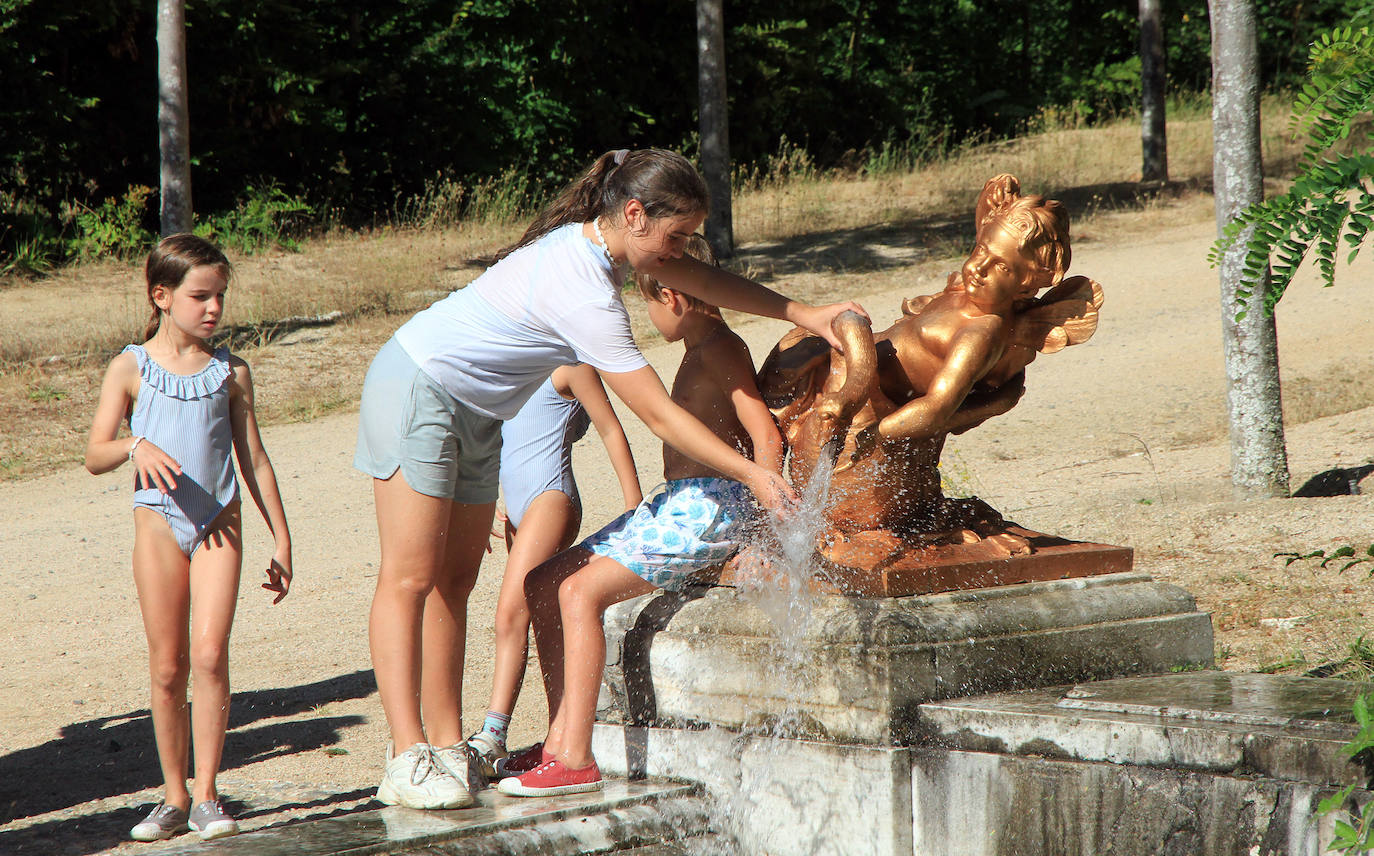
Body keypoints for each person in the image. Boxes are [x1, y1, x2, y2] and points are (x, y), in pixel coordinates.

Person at [353, 147, 864, 809]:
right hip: (420, 386)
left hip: (477, 412)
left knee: (456, 578)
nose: (680, 252)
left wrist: (804, 314)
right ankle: (405, 755)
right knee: (410, 576)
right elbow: (654, 413)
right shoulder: (583, 286)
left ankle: (448, 748)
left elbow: (711, 286)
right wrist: (751, 475)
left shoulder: (611, 250)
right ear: (634, 215)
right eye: (675, 235)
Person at [496, 234, 784, 797]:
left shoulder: (722, 349)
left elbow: (765, 435)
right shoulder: (699, 352)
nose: (648, 318)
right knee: (542, 581)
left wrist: (766, 527)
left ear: (672, 297)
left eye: (647, 305)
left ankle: (575, 758)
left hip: (712, 506)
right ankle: (559, 739)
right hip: (677, 503)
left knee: (580, 593)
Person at [85, 234, 293, 841]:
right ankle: (173, 796)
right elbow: (95, 454)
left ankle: (207, 795)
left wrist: (282, 538)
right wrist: (133, 445)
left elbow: (254, 458)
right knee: (168, 664)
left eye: (220, 296)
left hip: (218, 526)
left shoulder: (231, 371)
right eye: (200, 296)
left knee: (208, 654)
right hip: (157, 528)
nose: (213, 309)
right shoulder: (130, 367)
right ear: (162, 295)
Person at [465, 362, 643, 777]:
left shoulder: (570, 365)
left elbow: (610, 428)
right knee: (542, 618)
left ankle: (493, 735)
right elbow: (493, 433)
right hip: (518, 508)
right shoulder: (513, 361)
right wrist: (485, 494)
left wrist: (634, 507)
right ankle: (555, 738)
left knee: (510, 614)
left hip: (551, 499)